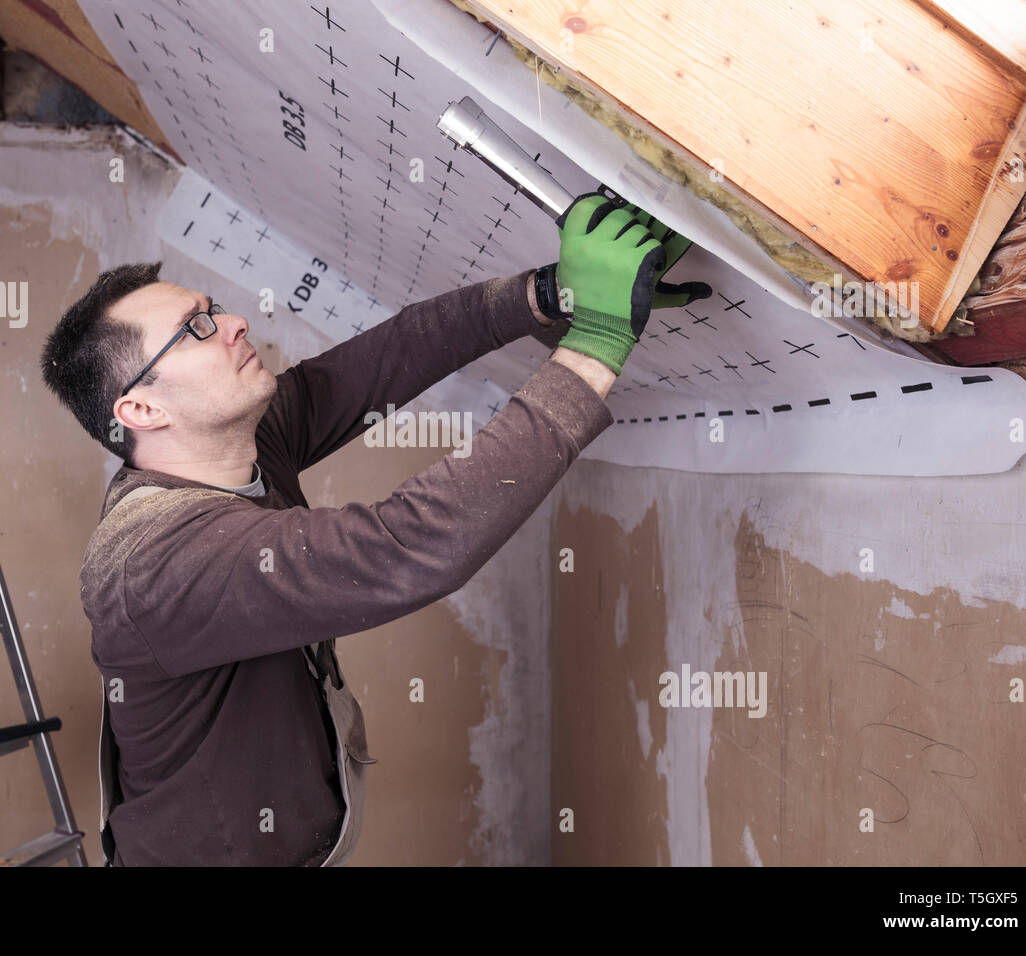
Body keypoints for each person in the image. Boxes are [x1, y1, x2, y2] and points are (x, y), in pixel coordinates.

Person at [39, 192, 710, 865]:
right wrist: (598, 337)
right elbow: (407, 545)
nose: (236, 322)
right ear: (142, 408)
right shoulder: (158, 559)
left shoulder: (237, 450)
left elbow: (393, 355)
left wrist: (554, 291)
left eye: (213, 310)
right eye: (198, 329)